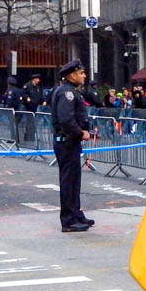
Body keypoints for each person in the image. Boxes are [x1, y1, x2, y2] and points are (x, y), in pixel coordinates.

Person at [51, 60, 94, 232]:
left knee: (74, 181)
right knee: (69, 181)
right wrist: (80, 132)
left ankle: (75, 213)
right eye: (81, 73)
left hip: (70, 142)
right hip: (67, 142)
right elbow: (66, 119)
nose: (84, 76)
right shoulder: (66, 93)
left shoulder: (71, 91)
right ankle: (68, 220)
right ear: (72, 75)